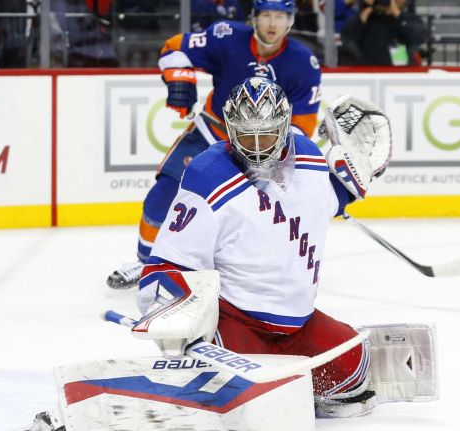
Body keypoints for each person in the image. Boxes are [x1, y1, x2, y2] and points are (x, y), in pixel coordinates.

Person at [134, 77, 395, 417]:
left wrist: (356, 174)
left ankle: (280, 385)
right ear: (230, 128)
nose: (257, 148)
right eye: (246, 136)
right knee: (254, 403)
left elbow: (324, 197)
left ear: (285, 127)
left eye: (267, 134)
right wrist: (173, 314)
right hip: (235, 323)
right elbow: (166, 263)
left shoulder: (311, 161)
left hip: (298, 325)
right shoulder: (208, 174)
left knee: (353, 370)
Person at [107, 0, 323, 289]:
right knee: (164, 194)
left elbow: (302, 124)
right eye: (267, 15)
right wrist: (180, 79)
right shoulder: (227, 36)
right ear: (254, 17)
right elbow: (174, 47)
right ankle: (145, 263)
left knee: (257, 217)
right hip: (211, 134)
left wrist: (273, 158)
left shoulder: (303, 62)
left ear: (291, 20)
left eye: (281, 17)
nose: (273, 24)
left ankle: (250, 271)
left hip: (261, 151)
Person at [340, 0, 425, 66]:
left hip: (399, 73)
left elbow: (418, 37)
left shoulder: (407, 19)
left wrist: (397, 14)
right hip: (367, 71)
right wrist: (368, 9)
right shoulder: (362, 19)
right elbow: (347, 38)